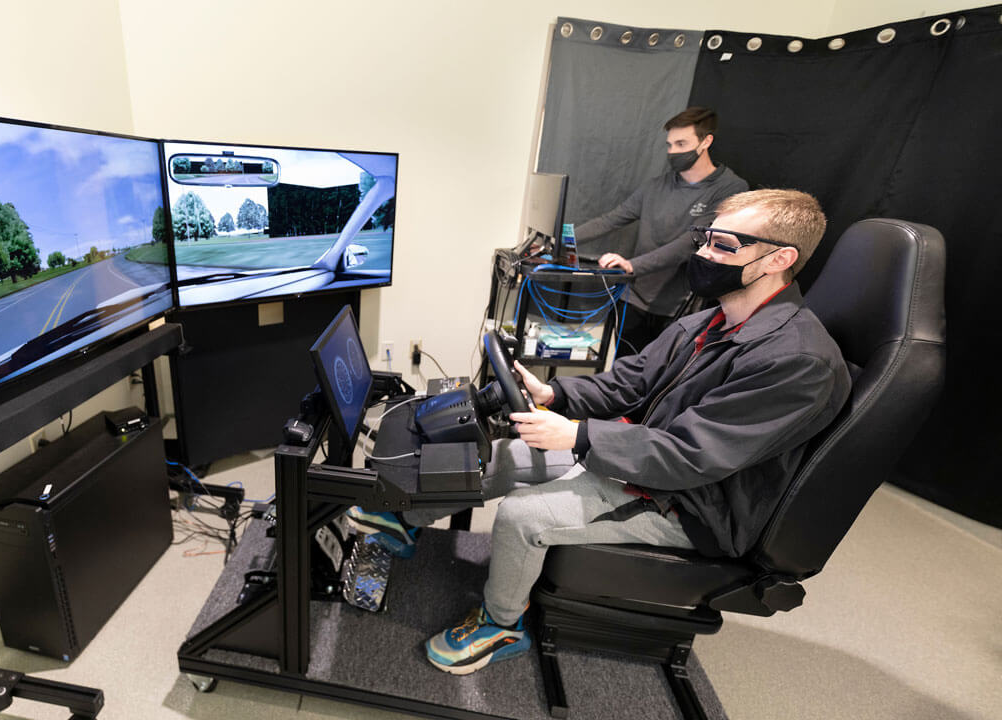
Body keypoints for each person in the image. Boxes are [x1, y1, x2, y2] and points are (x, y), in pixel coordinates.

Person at [348, 189, 851, 675]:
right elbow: (631, 381)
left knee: (523, 517)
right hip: (648, 459)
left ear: (779, 259)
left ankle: (500, 625)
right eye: (704, 238)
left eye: (722, 246)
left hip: (695, 503)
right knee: (502, 456)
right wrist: (556, 397)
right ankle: (406, 522)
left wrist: (578, 436)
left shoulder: (797, 361)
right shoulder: (717, 318)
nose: (701, 253)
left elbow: (694, 456)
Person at [573, 106, 748, 353]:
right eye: (669, 145)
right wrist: (560, 239)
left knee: (661, 378)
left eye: (680, 143)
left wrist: (633, 265)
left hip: (679, 305)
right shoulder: (657, 185)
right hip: (634, 298)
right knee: (624, 368)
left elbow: (690, 243)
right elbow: (612, 219)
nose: (673, 151)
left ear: (706, 141)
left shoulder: (729, 188)